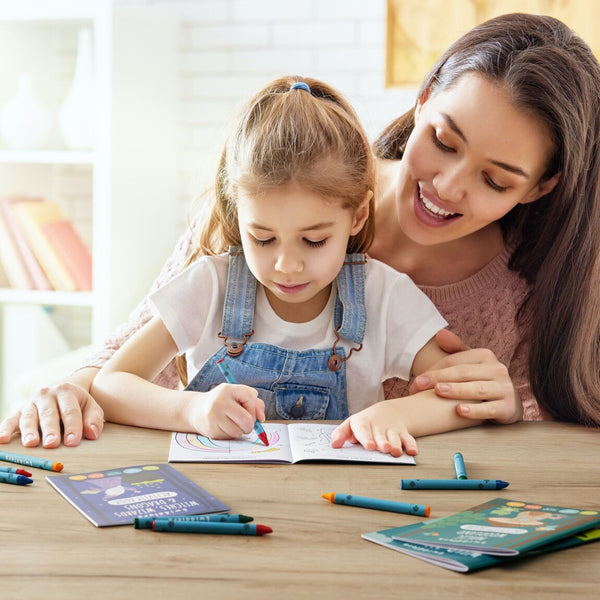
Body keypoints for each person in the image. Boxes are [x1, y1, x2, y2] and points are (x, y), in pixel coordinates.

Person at [3, 11, 599, 448]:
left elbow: (527, 433)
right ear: (422, 100)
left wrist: (502, 408)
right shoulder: (290, 185)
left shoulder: (524, 287)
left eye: (495, 181)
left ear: (540, 187)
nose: (447, 186)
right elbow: (123, 364)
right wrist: (77, 386)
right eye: (443, 140)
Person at [87, 75, 497, 457]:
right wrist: (191, 411)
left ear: (356, 217)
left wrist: (396, 414)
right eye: (262, 238)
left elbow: (462, 394)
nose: (286, 265)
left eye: (314, 240)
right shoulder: (211, 286)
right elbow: (110, 385)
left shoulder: (382, 296)